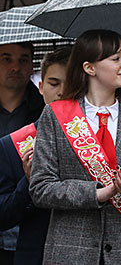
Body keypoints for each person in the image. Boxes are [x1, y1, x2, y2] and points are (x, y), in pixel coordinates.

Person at [29, 30, 121, 264]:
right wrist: (96, 193)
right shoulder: (57, 115)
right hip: (70, 252)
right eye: (115, 59)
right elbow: (40, 188)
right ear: (89, 68)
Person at [0, 47, 71, 265]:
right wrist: (29, 181)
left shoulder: (102, 135)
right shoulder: (13, 143)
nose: (61, 91)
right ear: (41, 86)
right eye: (54, 83)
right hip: (31, 249)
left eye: (69, 83)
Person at [0, 42, 44, 264]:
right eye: (6, 59)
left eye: (23, 60)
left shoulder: (46, 111)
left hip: (33, 230)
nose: (15, 67)